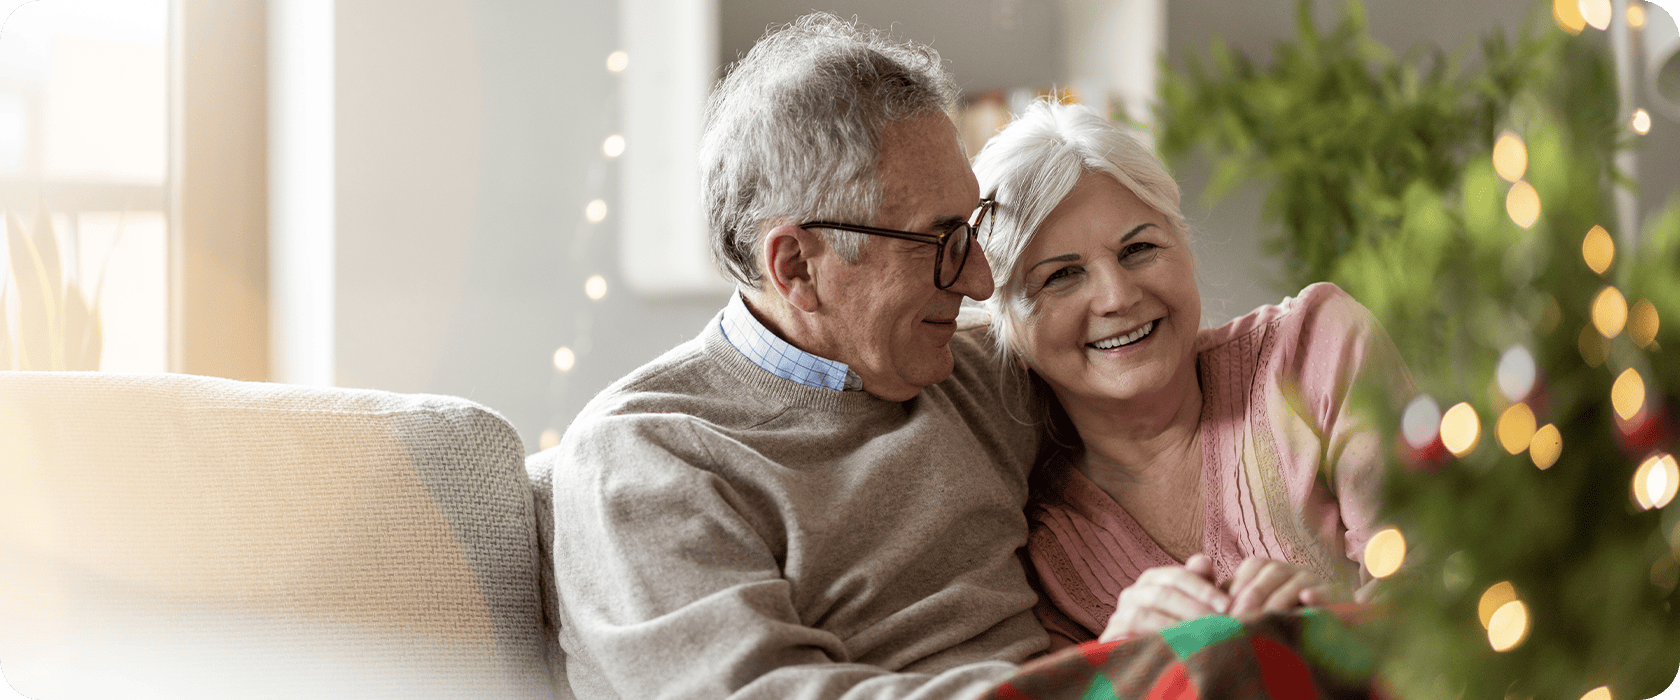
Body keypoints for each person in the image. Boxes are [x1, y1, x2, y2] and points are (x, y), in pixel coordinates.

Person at [545, 13, 1051, 699]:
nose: (979, 283)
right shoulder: (650, 456)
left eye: (972, 230)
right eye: (939, 243)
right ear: (796, 267)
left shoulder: (984, 378)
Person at [970, 100, 1411, 648]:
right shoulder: (1036, 548)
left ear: (1184, 247)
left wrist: (1329, 621)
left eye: (1139, 248)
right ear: (1008, 326)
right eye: (1061, 276)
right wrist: (1122, 658)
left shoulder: (1316, 350)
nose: (1117, 296)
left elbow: (1460, 595)